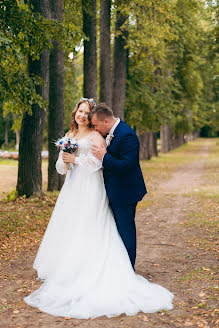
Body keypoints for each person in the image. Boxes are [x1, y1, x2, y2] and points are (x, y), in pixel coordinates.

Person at [24, 98, 173, 319]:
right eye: (80, 112)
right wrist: (65, 161)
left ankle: (115, 268)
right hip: (72, 189)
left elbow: (100, 164)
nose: (82, 116)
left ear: (94, 117)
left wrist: (77, 160)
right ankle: (68, 266)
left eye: (86, 113)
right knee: (72, 226)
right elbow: (61, 167)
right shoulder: (69, 134)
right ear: (75, 113)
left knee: (92, 225)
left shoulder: (97, 136)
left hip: (91, 188)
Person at [90, 103, 147, 270]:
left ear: (106, 121)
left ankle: (129, 269)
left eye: (96, 125)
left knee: (126, 231)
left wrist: (104, 157)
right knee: (117, 230)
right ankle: (119, 266)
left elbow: (126, 166)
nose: (95, 129)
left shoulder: (127, 135)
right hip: (115, 191)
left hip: (125, 192)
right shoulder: (112, 132)